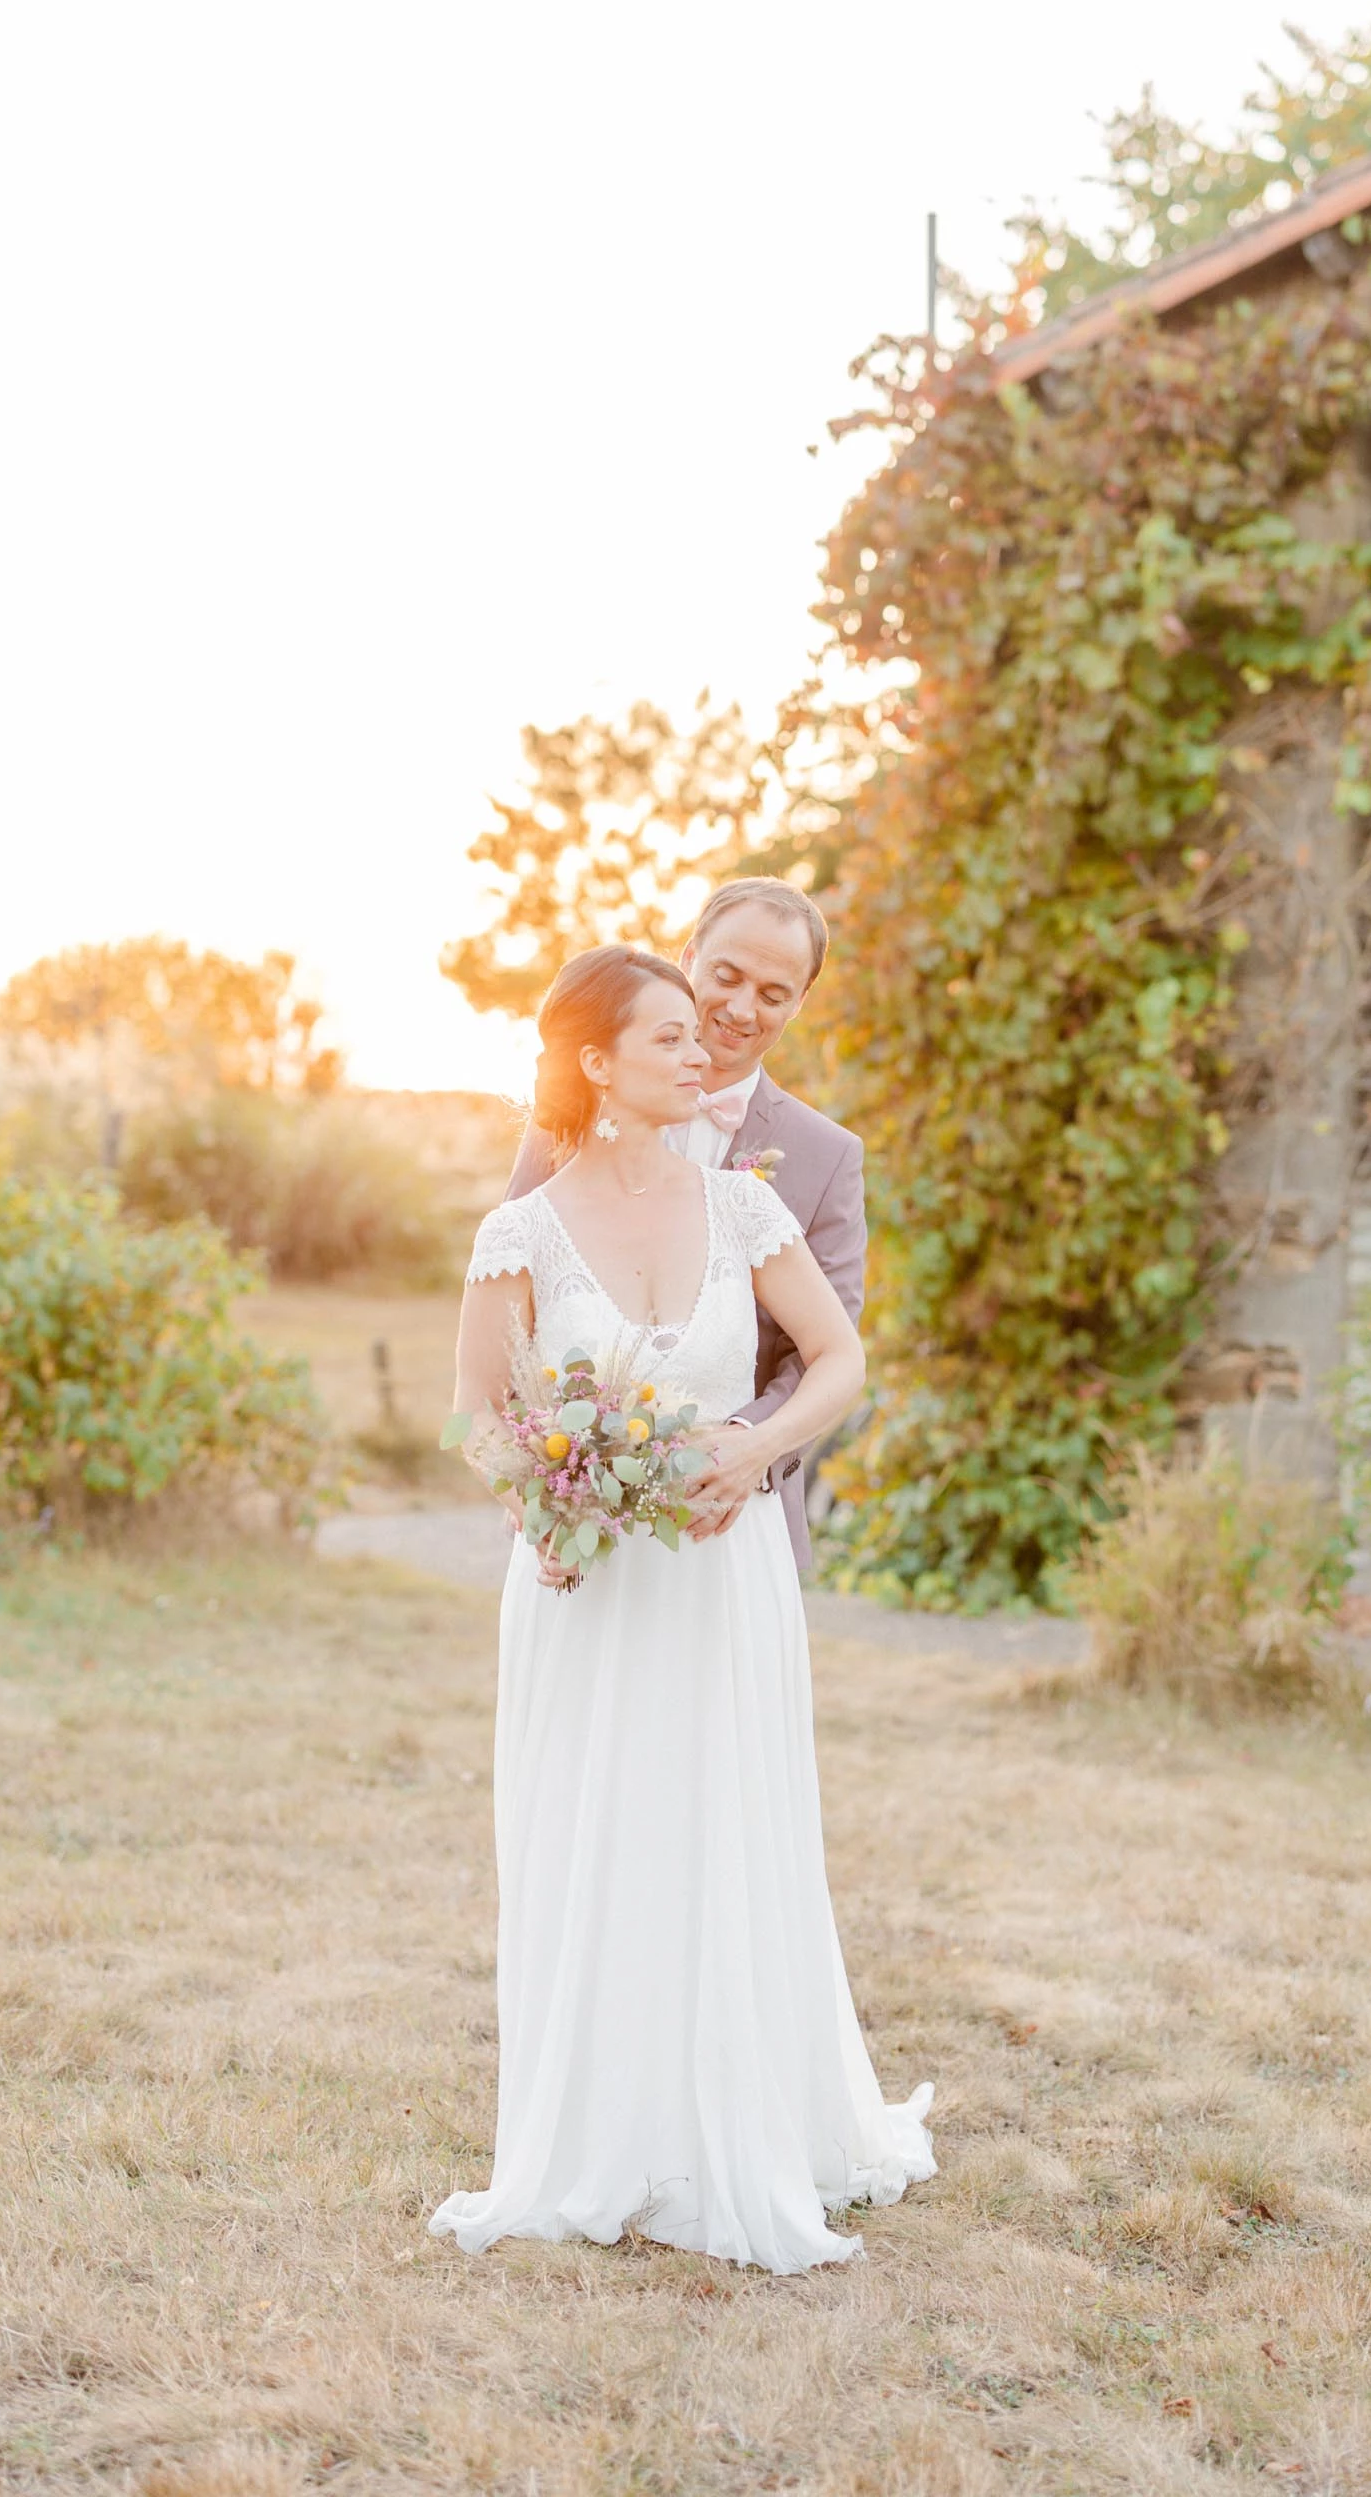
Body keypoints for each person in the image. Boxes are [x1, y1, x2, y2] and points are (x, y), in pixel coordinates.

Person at [429, 944, 933, 2273]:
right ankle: (599, 2133)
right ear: (595, 1063)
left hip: (723, 1573)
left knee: (724, 1830)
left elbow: (837, 1359)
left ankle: (739, 2125)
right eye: (667, 1037)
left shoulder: (746, 1212)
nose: (699, 1049)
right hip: (583, 1585)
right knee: (598, 1836)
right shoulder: (519, 1233)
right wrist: (540, 1506)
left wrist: (756, 1453)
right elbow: (483, 1413)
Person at [503, 880, 863, 1568]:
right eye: (725, 976)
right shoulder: (570, 1117)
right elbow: (505, 1326)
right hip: (580, 1519)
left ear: (799, 1003)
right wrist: (542, 1490)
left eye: (772, 993)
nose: (740, 1008)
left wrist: (744, 1446)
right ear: (689, 956)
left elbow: (826, 1348)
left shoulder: (828, 1159)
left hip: (727, 1522)